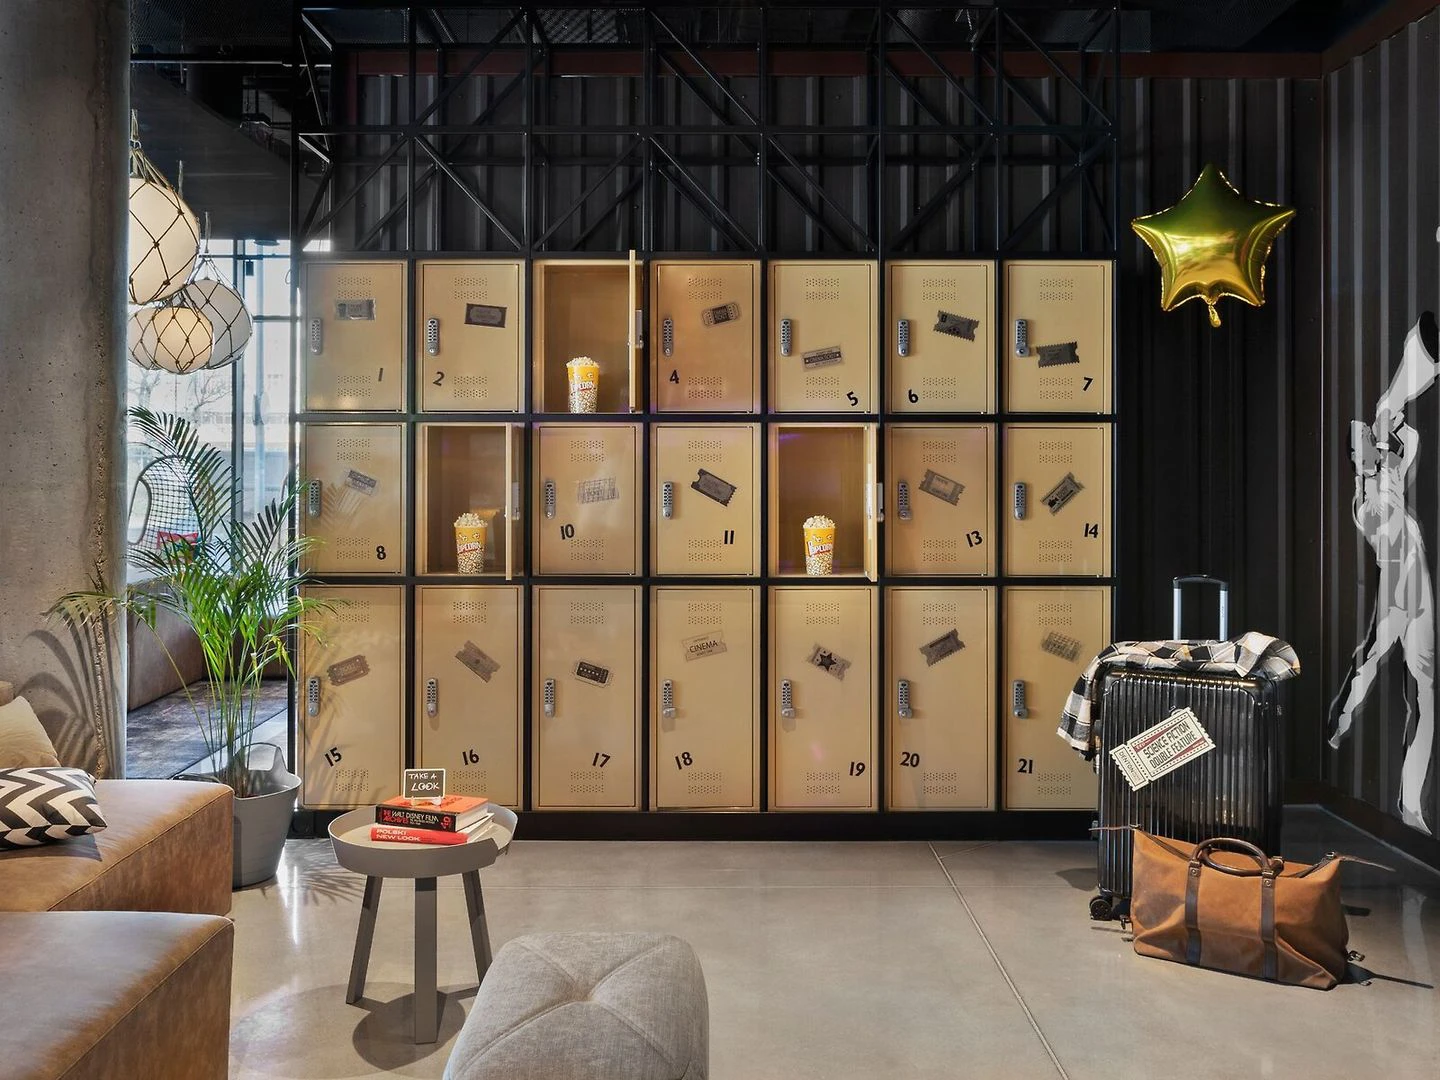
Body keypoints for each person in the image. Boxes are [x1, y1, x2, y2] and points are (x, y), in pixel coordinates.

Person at [1328, 311, 1438, 835]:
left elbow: (1406, 439)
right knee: (1372, 660)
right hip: (1399, 587)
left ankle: (1411, 805)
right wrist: (1383, 424)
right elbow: (1379, 436)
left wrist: (1393, 424)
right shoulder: (1369, 507)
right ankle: (1342, 717)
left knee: (1426, 690)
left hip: (1417, 588)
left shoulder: (1392, 474)